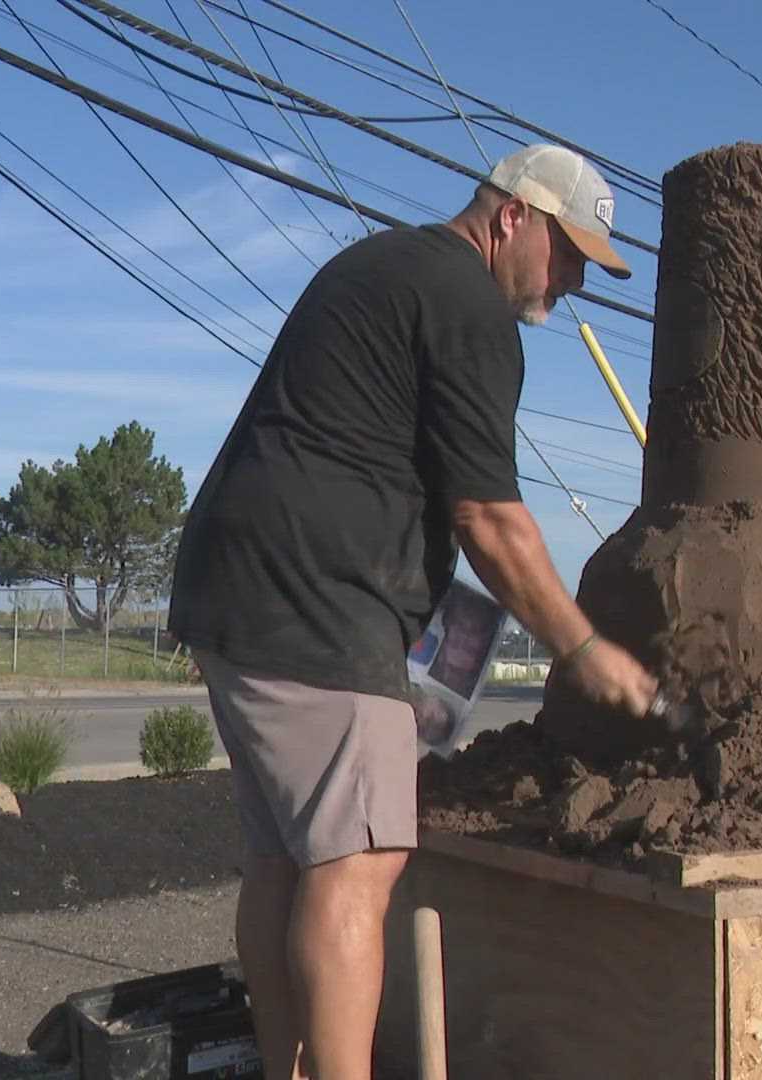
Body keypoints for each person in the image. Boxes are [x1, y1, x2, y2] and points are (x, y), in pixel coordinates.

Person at [167, 143, 658, 1080]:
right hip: (319, 600)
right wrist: (583, 646)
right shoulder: (469, 305)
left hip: (237, 589)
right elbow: (490, 519)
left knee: (286, 860)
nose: (572, 284)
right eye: (567, 255)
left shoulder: (384, 263)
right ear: (512, 217)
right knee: (360, 864)